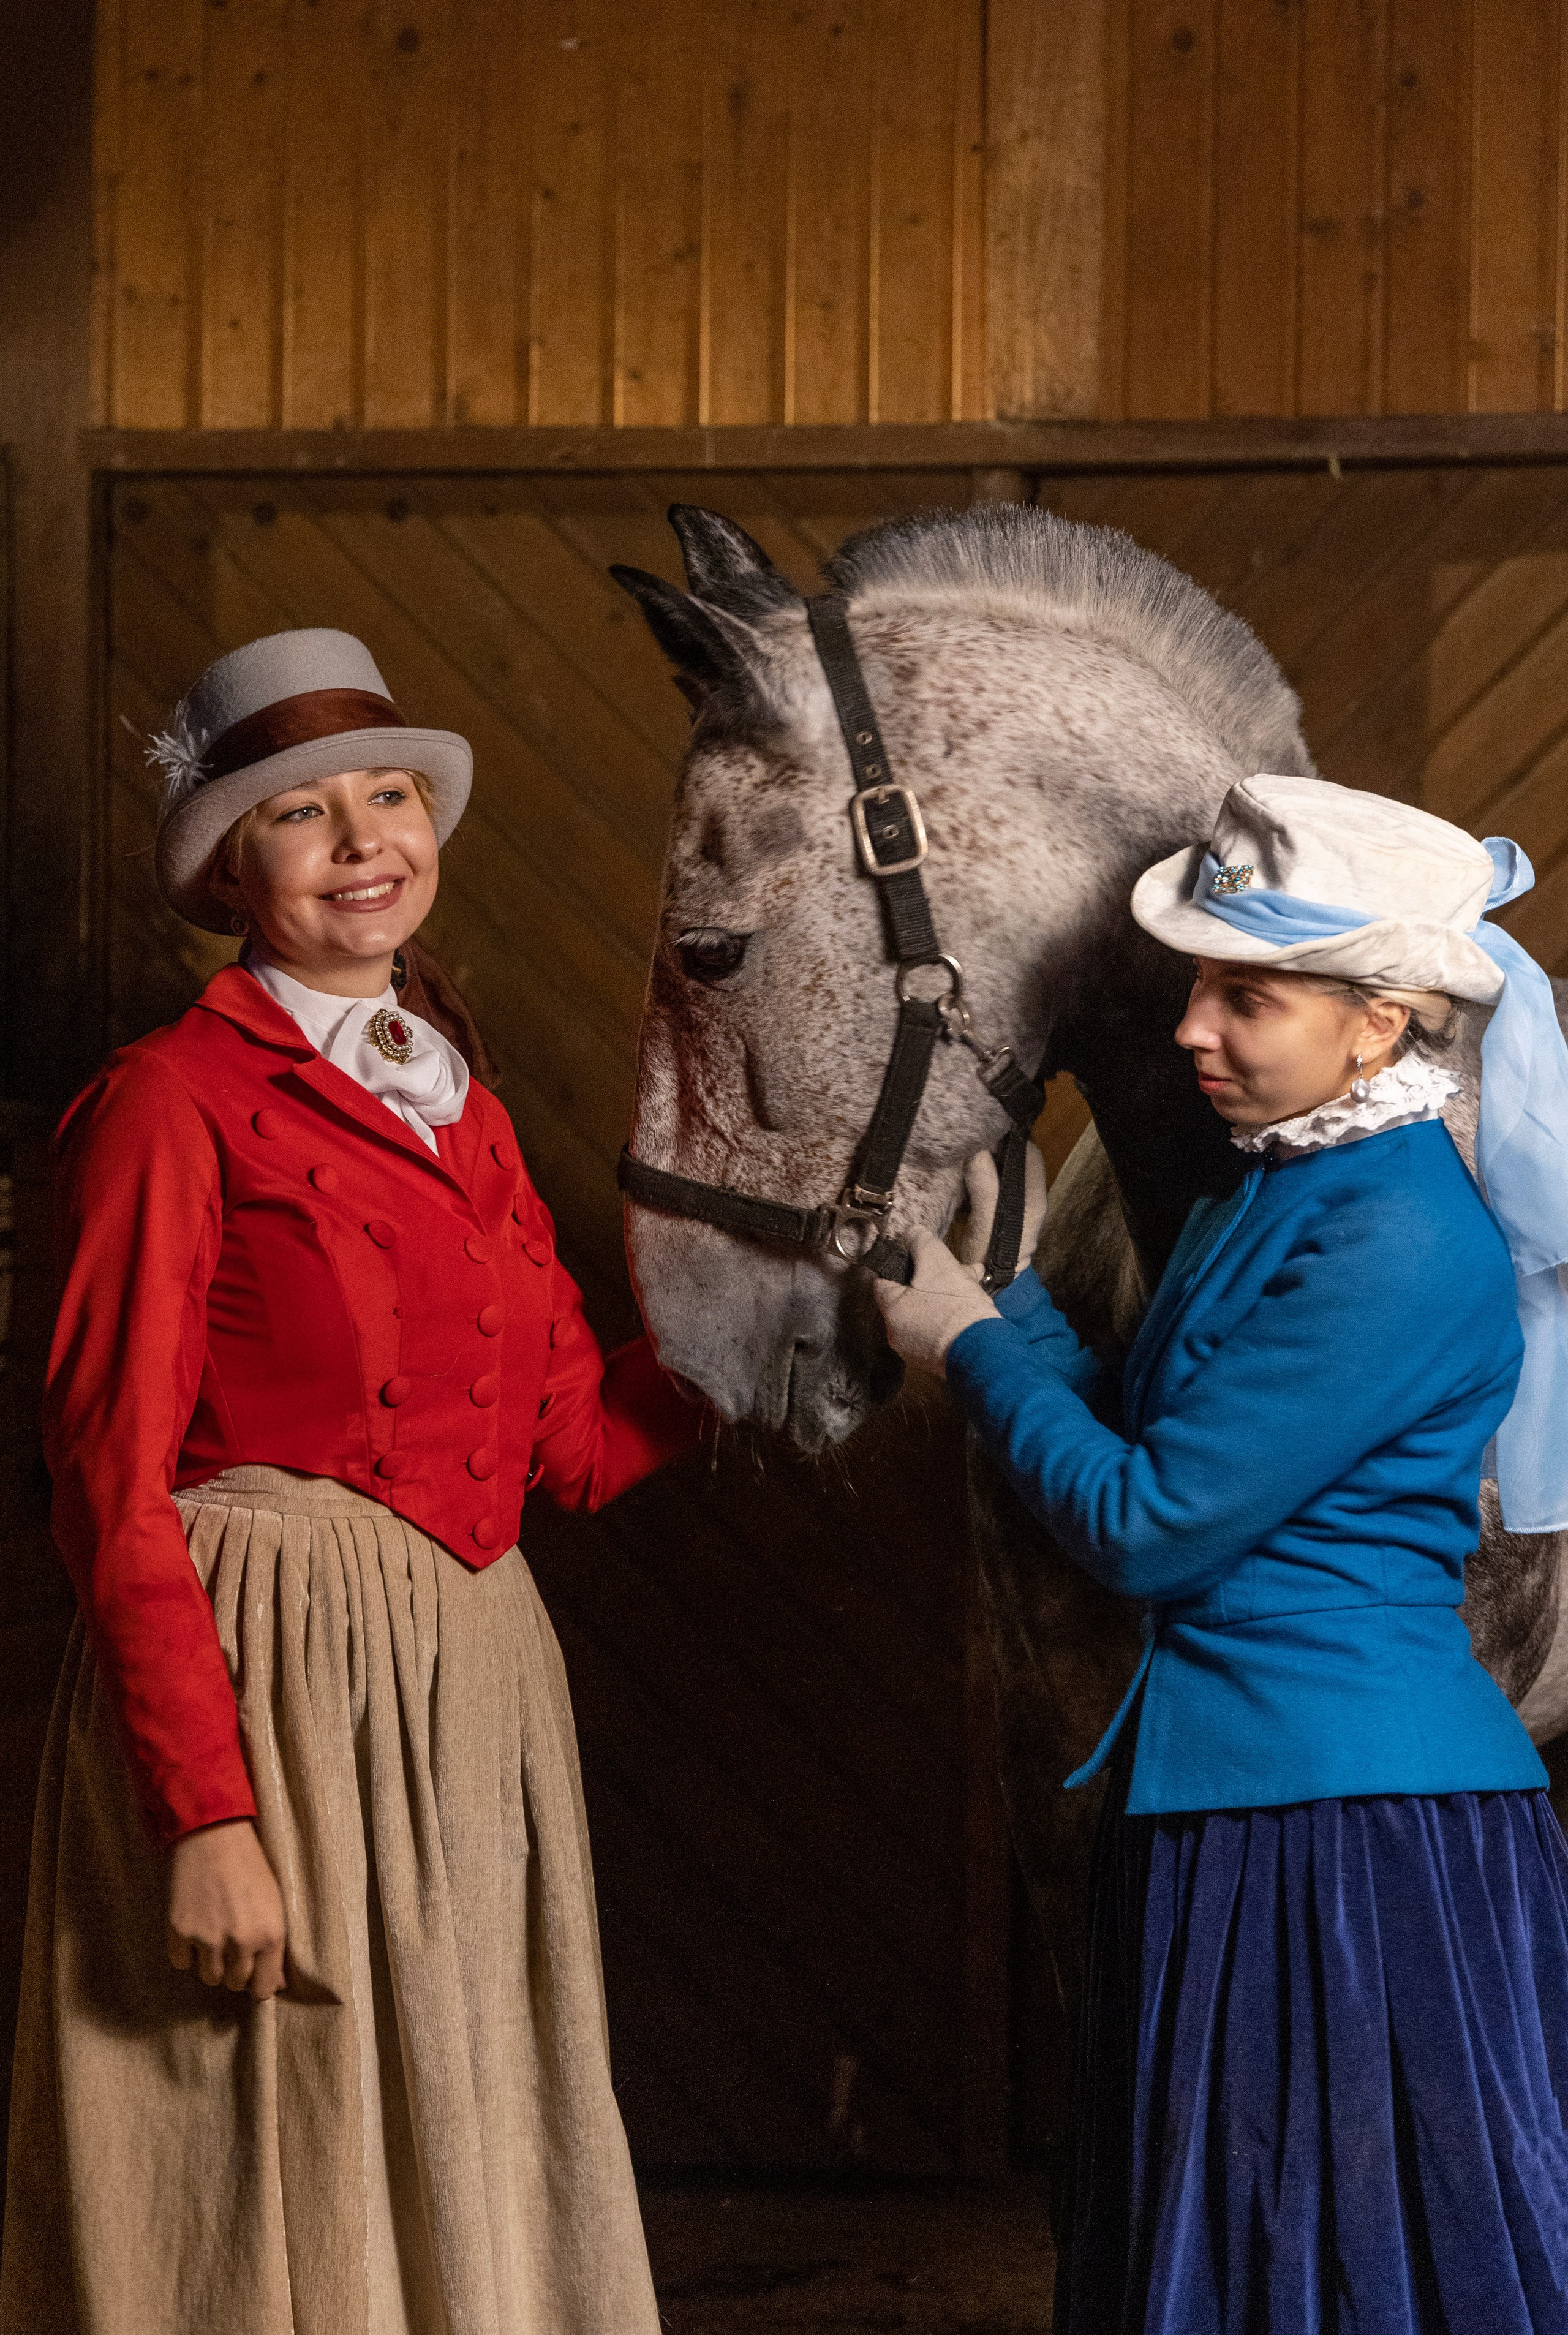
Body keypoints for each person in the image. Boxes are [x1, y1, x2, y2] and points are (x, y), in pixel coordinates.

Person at [1, 629, 705, 2335]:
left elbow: (571, 1447)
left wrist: (758, 1333)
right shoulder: (171, 1103)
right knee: (264, 2155)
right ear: (236, 870)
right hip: (270, 1680)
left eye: (389, 795)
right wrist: (209, 1814)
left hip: (466, 1689)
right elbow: (108, 1477)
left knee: (463, 2143)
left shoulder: (455, 1104)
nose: (365, 838)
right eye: (303, 814)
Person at [876, 773, 1568, 2334]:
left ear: (1378, 1022)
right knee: (1247, 2258)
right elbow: (1148, 1430)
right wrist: (1016, 1292)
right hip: (1244, 1798)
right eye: (1195, 983)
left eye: (1241, 994)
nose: (1193, 1027)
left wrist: (976, 1350)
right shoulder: (1282, 1186)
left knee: (1356, 2272)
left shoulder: (1394, 1233)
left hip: (1353, 1832)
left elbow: (1144, 1526)